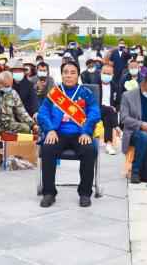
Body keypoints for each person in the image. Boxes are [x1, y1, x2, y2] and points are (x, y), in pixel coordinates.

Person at [37, 61, 101, 208]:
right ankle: (49, 193)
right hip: (58, 133)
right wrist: (50, 130)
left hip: (80, 133)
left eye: (72, 72)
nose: (69, 75)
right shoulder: (54, 93)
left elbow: (94, 112)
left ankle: (85, 193)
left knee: (89, 149)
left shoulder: (86, 93)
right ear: (62, 74)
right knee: (47, 148)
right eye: (66, 72)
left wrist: (86, 131)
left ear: (78, 74)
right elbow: (43, 113)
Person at [0, 71, 38, 164]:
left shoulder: (13, 93)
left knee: (26, 129)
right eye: (6, 86)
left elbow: (21, 112)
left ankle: (19, 154)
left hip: (9, 123)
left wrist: (33, 124)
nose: (8, 88)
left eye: (9, 85)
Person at [98, 63, 120, 155]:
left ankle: (108, 144)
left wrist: (116, 108)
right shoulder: (96, 84)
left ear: (112, 75)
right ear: (100, 73)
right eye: (104, 73)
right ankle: (117, 127)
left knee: (108, 119)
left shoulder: (115, 86)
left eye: (109, 74)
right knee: (110, 111)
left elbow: (118, 102)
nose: (106, 75)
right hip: (98, 109)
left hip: (109, 113)